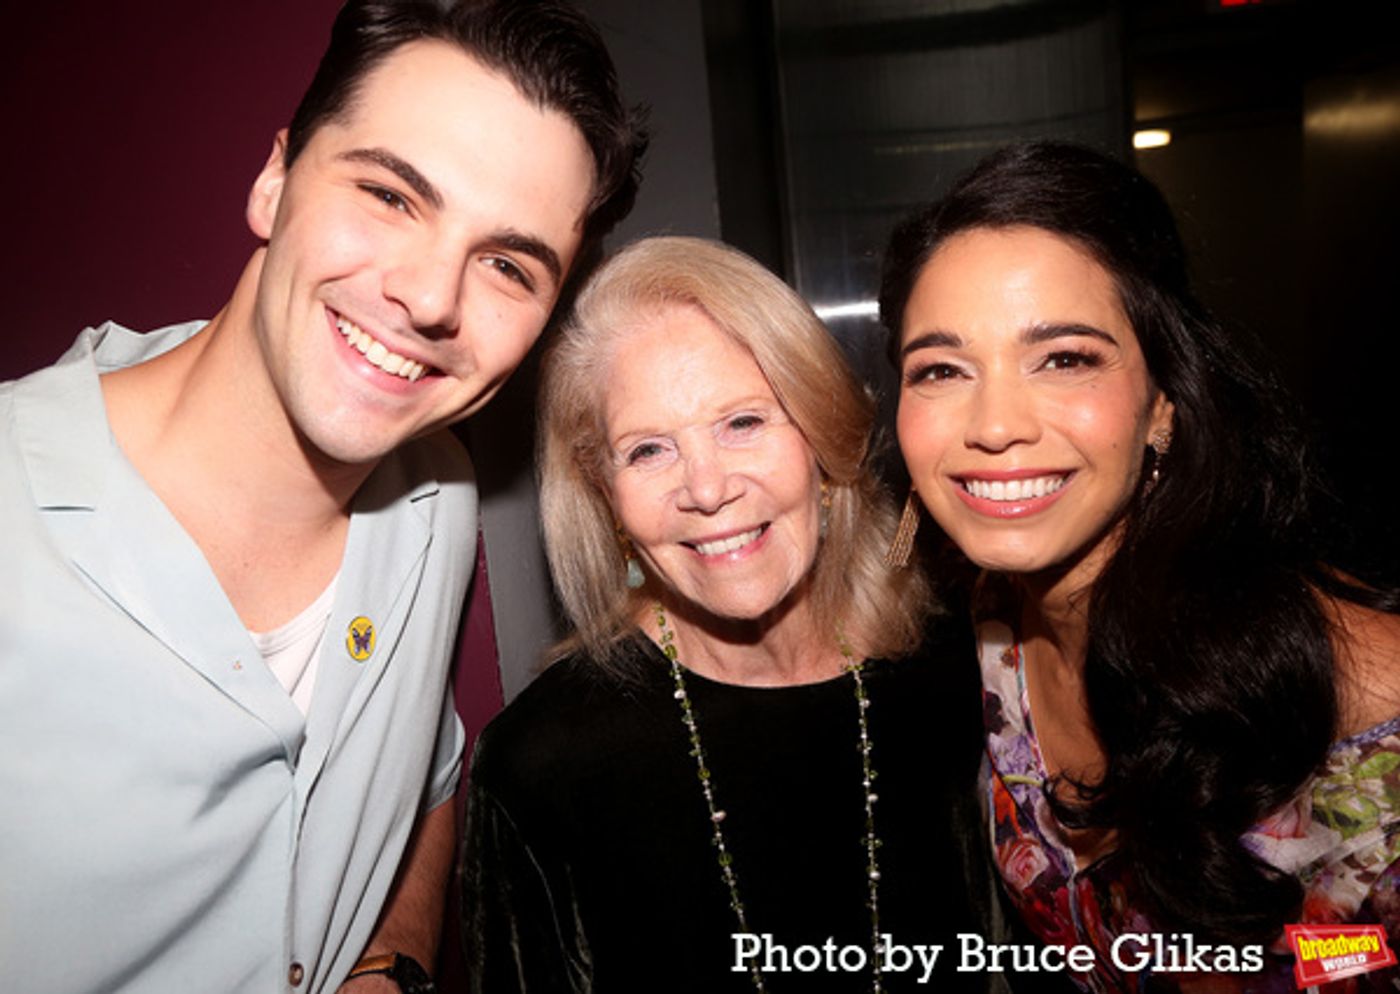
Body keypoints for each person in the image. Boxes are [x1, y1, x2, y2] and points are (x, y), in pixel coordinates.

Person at [0, 2, 645, 992]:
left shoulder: (435, 501)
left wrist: (392, 958)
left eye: (508, 264)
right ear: (275, 178)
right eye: (390, 195)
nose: (431, 297)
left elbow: (425, 769)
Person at [879, 140, 1400, 992]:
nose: (995, 424)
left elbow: (1363, 951)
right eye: (940, 369)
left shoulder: (1364, 701)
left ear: (1164, 401)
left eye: (1065, 358)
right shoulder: (988, 627)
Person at [460, 236, 1007, 992]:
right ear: (605, 494)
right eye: (649, 449)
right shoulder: (543, 766)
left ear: (820, 435)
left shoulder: (957, 671)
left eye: (743, 422)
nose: (708, 488)